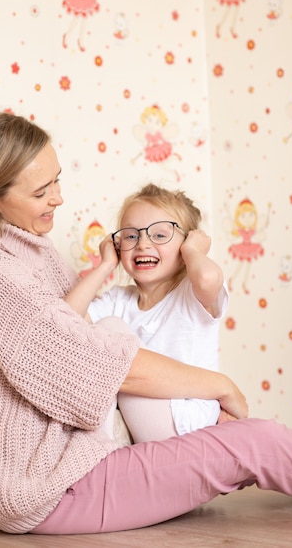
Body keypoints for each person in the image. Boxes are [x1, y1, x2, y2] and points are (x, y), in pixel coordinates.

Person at [0, 112, 292, 535]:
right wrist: (221, 386)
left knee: (248, 441)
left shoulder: (33, 253)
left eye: (57, 180)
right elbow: (107, 366)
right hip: (54, 486)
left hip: (78, 464)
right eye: (41, 191)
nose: (57, 198)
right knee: (257, 441)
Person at [86, 184, 228, 442]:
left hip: (185, 422)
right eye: (130, 236)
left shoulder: (191, 295)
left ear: (185, 245)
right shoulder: (119, 300)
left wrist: (193, 251)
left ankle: (97, 450)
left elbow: (208, 278)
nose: (142, 244)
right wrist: (105, 264)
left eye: (160, 235)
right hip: (147, 421)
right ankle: (98, 448)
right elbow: (64, 322)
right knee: (99, 335)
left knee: (110, 331)